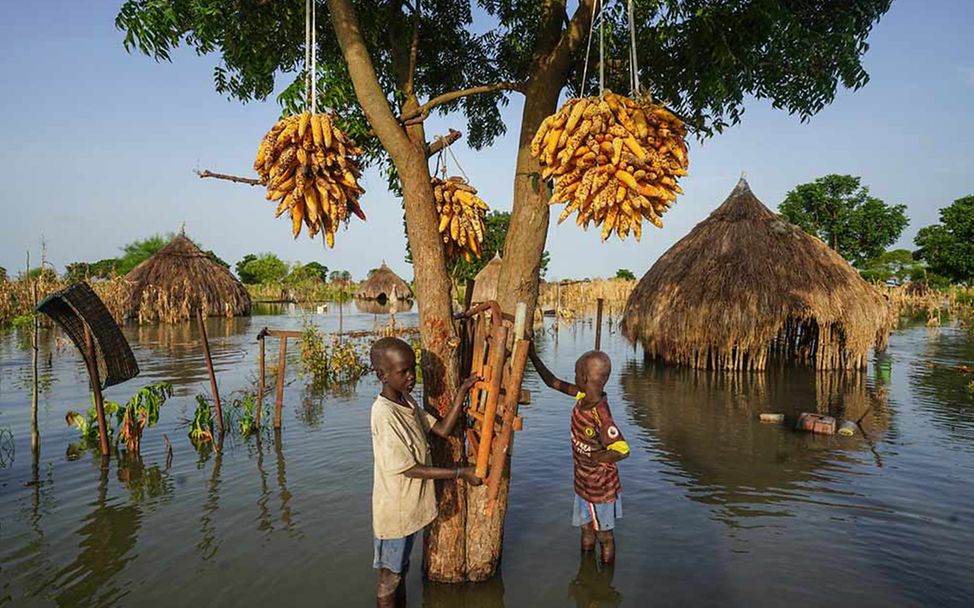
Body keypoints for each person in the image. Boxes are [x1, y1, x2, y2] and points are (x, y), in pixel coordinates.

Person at [369, 337, 482, 606]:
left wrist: (462, 392)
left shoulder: (407, 403)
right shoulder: (383, 414)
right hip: (395, 513)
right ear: (382, 375)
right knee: (389, 578)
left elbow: (441, 429)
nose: (411, 377)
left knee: (401, 570)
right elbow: (410, 469)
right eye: (403, 372)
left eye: (413, 369)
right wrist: (459, 472)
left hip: (410, 508)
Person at [528, 344, 630, 564]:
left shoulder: (601, 414)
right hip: (583, 483)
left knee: (604, 536)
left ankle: (604, 586)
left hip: (601, 488)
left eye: (575, 373)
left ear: (584, 377)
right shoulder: (582, 396)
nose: (573, 376)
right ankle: (585, 574)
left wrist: (598, 457)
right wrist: (532, 355)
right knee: (585, 530)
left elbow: (622, 449)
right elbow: (552, 382)